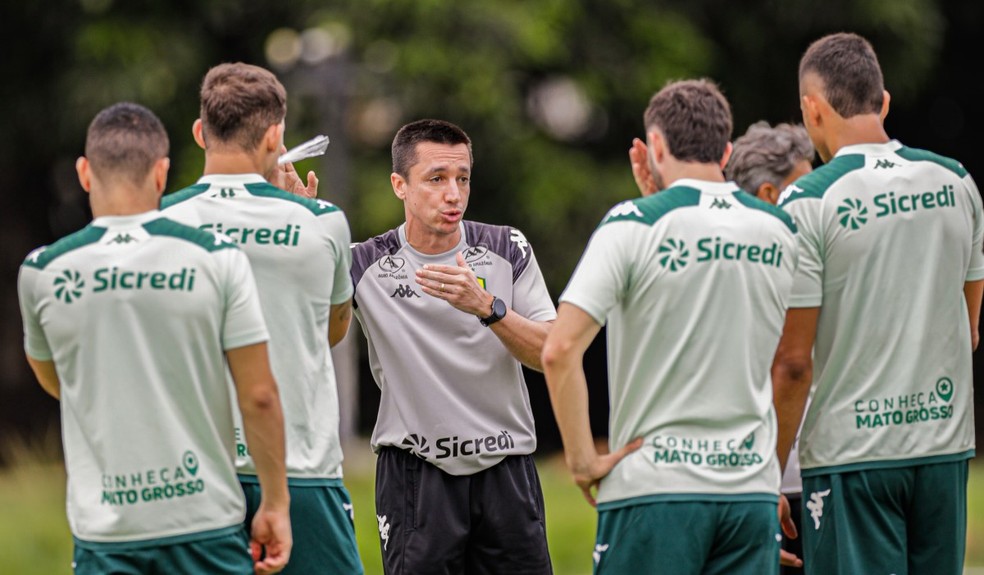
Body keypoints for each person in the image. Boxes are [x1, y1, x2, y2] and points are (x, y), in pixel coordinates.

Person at [17, 102, 291, 574]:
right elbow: (260, 396)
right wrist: (275, 504)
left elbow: (56, 379)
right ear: (162, 174)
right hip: (205, 523)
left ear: (84, 173)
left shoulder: (42, 270)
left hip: (107, 533)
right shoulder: (217, 257)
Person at [542, 79, 799, 575]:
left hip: (654, 489)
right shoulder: (780, 228)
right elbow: (789, 357)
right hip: (749, 490)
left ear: (655, 145)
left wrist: (582, 461)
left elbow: (559, 348)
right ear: (726, 152)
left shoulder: (632, 224)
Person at [772, 32, 984, 575]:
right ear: (884, 102)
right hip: (943, 449)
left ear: (812, 111)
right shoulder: (958, 182)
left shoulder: (809, 198)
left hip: (852, 457)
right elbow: (968, 329)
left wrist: (766, 475)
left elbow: (793, 363)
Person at [160, 63, 362, 574]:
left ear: (200, 132)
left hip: (191, 472)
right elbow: (331, 330)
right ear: (275, 137)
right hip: (301, 468)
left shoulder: (159, 222)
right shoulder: (322, 222)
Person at [350, 118, 557, 574]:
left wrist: (487, 307)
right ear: (400, 185)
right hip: (415, 475)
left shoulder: (506, 247)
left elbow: (552, 353)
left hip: (506, 470)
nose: (453, 194)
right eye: (436, 179)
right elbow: (304, 319)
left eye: (462, 178)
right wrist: (307, 231)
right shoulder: (363, 263)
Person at [726, 120, 816, 574]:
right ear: (768, 194)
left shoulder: (816, 258)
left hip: (812, 478)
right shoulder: (729, 276)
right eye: (805, 188)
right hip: (757, 487)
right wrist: (759, 487)